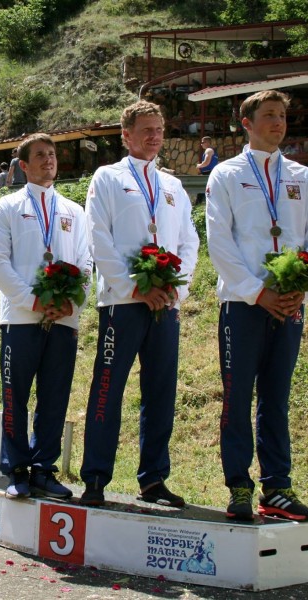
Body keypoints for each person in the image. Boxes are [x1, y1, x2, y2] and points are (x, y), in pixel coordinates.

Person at [205, 90, 308, 522]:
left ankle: (277, 488)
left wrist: (301, 289)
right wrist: (258, 291)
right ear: (247, 124)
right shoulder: (226, 174)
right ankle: (238, 485)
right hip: (244, 303)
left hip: (289, 302)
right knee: (237, 397)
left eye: (283, 116)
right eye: (269, 115)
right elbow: (219, 240)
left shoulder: (303, 177)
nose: (278, 123)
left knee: (276, 397)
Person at [80, 100, 199, 508]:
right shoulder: (108, 177)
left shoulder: (173, 186)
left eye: (159, 129)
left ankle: (154, 478)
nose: (154, 136)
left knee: (161, 390)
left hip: (165, 302)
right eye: (146, 129)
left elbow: (189, 240)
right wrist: (134, 287)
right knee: (108, 388)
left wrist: (177, 290)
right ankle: (96, 477)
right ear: (126, 135)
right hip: (123, 300)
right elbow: (98, 237)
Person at [0, 134, 92, 499]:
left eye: (52, 154)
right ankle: (15, 469)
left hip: (63, 318)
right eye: (40, 155)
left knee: (55, 395)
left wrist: (72, 304)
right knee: (15, 395)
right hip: (21, 317)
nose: (48, 160)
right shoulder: (8, 206)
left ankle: (44, 468)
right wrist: (33, 300)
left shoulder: (74, 210)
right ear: (23, 166)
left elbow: (86, 262)